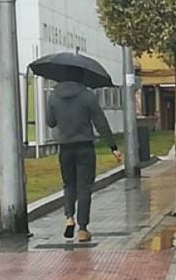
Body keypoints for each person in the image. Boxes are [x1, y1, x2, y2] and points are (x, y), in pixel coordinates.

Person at [47, 68, 121, 242]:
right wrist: (113, 147)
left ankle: (69, 217)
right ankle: (82, 228)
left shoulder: (53, 96)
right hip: (85, 148)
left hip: (64, 148)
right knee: (84, 188)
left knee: (68, 185)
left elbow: (50, 122)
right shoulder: (87, 96)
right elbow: (100, 123)